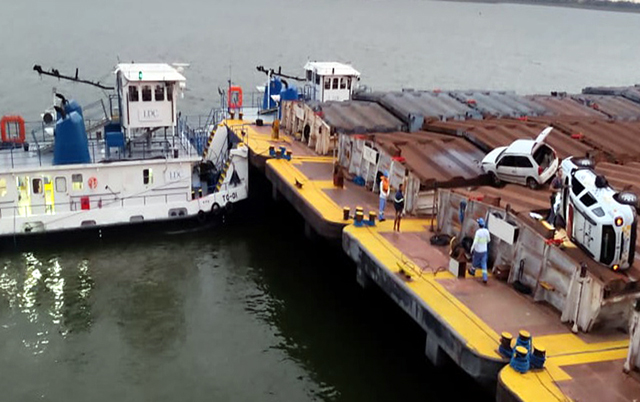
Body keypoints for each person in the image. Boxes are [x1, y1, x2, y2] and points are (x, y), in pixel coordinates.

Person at [468, 217, 490, 284]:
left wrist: (472, 248)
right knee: (484, 264)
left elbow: (475, 241)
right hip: (484, 251)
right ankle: (485, 277)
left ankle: (472, 271)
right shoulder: (486, 231)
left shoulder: (478, 232)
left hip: (478, 250)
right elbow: (489, 240)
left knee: (475, 261)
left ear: (479, 225)